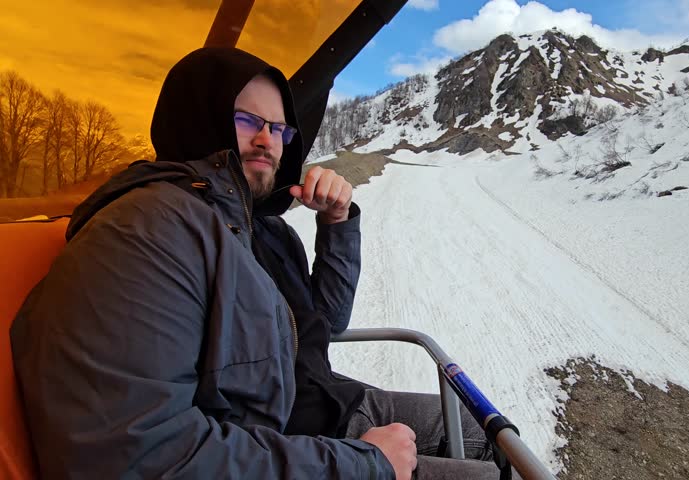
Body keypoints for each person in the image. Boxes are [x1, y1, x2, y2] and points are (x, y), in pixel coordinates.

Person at [10, 48, 500, 479]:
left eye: (278, 128)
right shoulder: (146, 231)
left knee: (491, 436)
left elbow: (326, 323)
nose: (268, 140)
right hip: (296, 445)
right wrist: (364, 464)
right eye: (247, 121)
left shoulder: (263, 228)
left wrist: (336, 224)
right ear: (196, 118)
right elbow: (133, 456)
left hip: (335, 405)